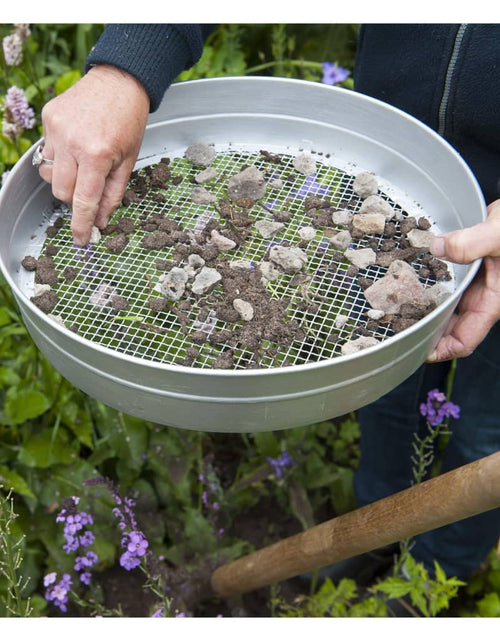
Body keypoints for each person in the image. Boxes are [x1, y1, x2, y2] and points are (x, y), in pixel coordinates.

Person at [36, 23, 500, 587]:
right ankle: (377, 526)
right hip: (388, 169)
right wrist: (128, 62)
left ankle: (438, 573)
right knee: (387, 384)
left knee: (485, 436)